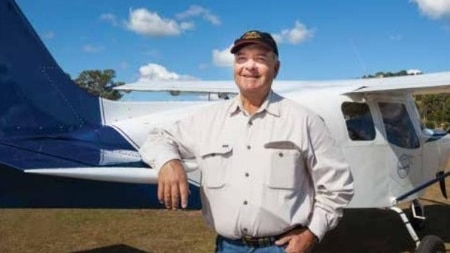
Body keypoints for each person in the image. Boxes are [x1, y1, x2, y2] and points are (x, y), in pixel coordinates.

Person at [139, 30, 354, 253]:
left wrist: (312, 233)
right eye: (241, 59)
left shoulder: (305, 120)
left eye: (260, 59)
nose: (249, 66)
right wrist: (170, 162)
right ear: (234, 67)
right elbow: (158, 138)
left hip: (282, 247)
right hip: (227, 246)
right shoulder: (206, 120)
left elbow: (337, 187)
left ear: (276, 68)